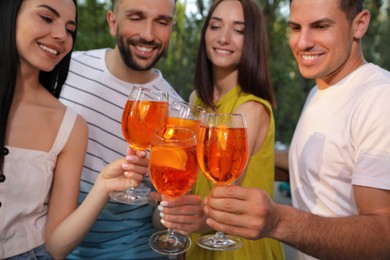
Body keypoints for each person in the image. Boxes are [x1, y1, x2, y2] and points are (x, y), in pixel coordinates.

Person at [201, 0, 390, 259]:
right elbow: (327, 164)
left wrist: (279, 221)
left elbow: (384, 234)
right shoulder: (319, 90)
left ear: (359, 24)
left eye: (321, 26)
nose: (302, 42)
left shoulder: (379, 96)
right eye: (295, 27)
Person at [0, 0, 148, 259]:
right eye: (47, 18)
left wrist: (102, 186)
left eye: (70, 29)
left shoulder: (69, 125)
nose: (61, 35)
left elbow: (57, 246)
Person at [157, 0, 285, 259]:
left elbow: (225, 206)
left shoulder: (249, 109)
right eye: (215, 26)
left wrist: (178, 216)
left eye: (239, 30)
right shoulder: (197, 100)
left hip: (237, 248)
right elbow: (188, 181)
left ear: (252, 40)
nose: (224, 38)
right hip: (197, 245)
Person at [59, 0, 183, 259]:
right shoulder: (65, 69)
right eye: (136, 17)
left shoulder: (177, 113)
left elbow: (162, 221)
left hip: (135, 252)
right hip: (55, 244)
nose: (149, 34)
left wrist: (170, 206)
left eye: (161, 22)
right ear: (113, 22)